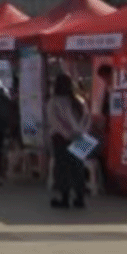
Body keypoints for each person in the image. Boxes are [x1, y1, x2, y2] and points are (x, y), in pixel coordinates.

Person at [47, 74, 90, 210]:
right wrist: (81, 132)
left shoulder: (53, 102)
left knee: (62, 167)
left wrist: (67, 134)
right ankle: (80, 197)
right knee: (78, 167)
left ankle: (64, 198)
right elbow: (87, 118)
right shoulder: (79, 101)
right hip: (81, 137)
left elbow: (54, 121)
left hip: (60, 139)